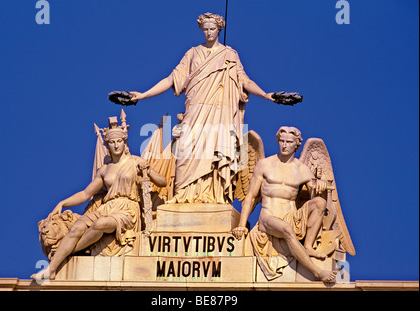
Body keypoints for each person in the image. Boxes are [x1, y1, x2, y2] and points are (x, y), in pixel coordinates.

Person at [115, 12, 278, 204]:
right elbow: (171, 79)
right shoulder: (192, 53)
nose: (209, 33)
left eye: (213, 29)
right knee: (185, 149)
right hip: (194, 111)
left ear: (219, 29)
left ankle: (214, 196)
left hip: (219, 112)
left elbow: (245, 81)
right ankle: (183, 196)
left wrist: (267, 95)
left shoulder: (230, 55)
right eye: (206, 29)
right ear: (202, 29)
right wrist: (143, 95)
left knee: (215, 151)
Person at [31, 119, 166, 280]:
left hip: (127, 209)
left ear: (124, 143)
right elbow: (85, 194)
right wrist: (62, 203)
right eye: (112, 142)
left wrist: (148, 170)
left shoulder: (136, 162)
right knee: (76, 228)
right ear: (107, 145)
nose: (116, 145)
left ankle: (70, 250)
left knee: (100, 224)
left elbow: (163, 182)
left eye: (119, 141)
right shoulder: (104, 170)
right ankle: (51, 269)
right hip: (106, 208)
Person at [232, 126, 337, 282]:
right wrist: (241, 224)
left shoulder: (303, 169)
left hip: (290, 217)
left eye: (289, 142)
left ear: (296, 144)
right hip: (268, 218)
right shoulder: (264, 164)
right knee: (287, 229)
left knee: (319, 203)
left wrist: (320, 184)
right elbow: (251, 197)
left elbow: (313, 195)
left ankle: (307, 246)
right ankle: (316, 272)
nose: (284, 145)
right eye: (281, 141)